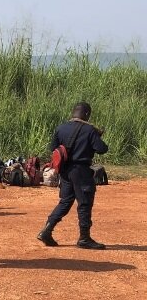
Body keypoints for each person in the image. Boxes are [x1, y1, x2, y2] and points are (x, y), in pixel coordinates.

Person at [37, 102, 108, 249]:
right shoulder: (89, 130)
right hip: (81, 171)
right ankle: (84, 238)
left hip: (65, 171)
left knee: (65, 201)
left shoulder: (61, 128)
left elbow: (53, 148)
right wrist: (96, 137)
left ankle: (47, 230)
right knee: (85, 203)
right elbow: (101, 149)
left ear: (73, 112)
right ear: (87, 114)